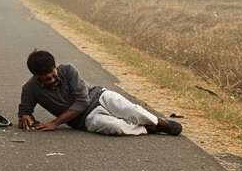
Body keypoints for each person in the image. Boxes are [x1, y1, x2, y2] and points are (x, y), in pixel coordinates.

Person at [17, 49, 182, 136]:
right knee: (114, 127)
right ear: (35, 77)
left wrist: (55, 123)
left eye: (52, 75)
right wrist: (26, 117)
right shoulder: (30, 88)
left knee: (130, 110)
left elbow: (81, 102)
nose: (51, 80)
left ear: (55, 67)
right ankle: (146, 129)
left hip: (100, 97)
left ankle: (159, 123)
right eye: (45, 79)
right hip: (85, 120)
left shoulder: (68, 70)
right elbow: (25, 110)